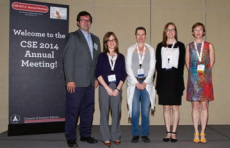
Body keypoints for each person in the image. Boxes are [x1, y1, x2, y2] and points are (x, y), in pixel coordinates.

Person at [63, 11, 101, 147]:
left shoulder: (96, 39)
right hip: (76, 82)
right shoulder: (72, 37)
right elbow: (67, 59)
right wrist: (70, 79)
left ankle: (85, 135)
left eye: (88, 20)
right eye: (83, 20)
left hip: (90, 82)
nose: (86, 22)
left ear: (91, 22)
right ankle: (71, 137)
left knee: (88, 109)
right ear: (78, 22)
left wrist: (96, 77)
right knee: (72, 110)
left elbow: (97, 61)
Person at [155, 22, 185, 142]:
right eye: (168, 30)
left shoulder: (181, 46)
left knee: (175, 107)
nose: (170, 32)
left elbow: (182, 63)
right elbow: (157, 63)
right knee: (166, 108)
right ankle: (168, 132)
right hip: (163, 78)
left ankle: (174, 132)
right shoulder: (159, 46)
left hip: (176, 79)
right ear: (165, 32)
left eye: (173, 29)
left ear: (175, 32)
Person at [185, 22, 215, 144]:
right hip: (193, 80)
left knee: (204, 106)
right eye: (195, 30)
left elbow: (211, 63)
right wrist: (194, 75)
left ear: (203, 32)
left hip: (205, 80)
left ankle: (203, 132)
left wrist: (204, 75)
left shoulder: (209, 46)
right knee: (195, 106)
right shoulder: (189, 46)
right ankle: (196, 131)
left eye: (200, 30)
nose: (198, 32)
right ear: (192, 32)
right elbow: (187, 63)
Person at [95, 32, 126, 146]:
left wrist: (117, 89)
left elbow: (123, 75)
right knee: (104, 112)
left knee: (116, 112)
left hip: (117, 86)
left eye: (113, 40)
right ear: (105, 43)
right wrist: (107, 88)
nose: (111, 42)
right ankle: (105, 137)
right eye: (109, 40)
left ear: (116, 42)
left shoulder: (121, 57)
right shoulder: (102, 56)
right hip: (104, 87)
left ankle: (116, 135)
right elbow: (98, 73)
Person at [126, 27, 155, 143]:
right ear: (135, 36)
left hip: (147, 84)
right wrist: (137, 83)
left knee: (145, 111)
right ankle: (135, 134)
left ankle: (144, 134)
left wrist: (145, 82)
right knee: (134, 111)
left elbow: (153, 68)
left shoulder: (151, 50)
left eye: (143, 34)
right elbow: (128, 68)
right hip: (134, 84)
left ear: (146, 35)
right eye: (138, 34)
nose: (140, 37)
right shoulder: (130, 50)